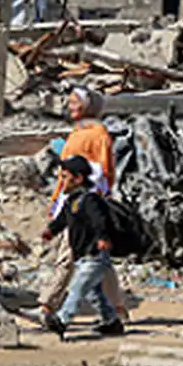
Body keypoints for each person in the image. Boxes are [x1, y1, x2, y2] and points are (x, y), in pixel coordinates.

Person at [41, 88, 128, 321]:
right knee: (99, 262)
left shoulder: (98, 134)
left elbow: (103, 170)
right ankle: (117, 309)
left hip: (85, 203)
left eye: (74, 102)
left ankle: (48, 305)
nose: (70, 107)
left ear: (88, 106)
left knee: (68, 256)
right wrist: (57, 201)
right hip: (71, 200)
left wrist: (93, 199)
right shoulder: (78, 132)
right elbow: (65, 174)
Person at [41, 155, 124, 340]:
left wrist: (103, 237)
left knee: (77, 288)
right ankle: (112, 321)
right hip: (82, 256)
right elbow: (62, 220)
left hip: (94, 254)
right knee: (94, 293)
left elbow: (100, 221)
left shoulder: (90, 200)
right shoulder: (71, 202)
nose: (61, 182)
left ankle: (62, 320)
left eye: (65, 177)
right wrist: (51, 231)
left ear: (78, 178)